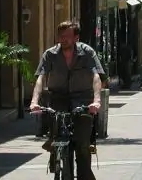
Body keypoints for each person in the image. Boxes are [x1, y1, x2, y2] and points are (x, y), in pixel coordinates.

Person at [30, 21, 103, 180]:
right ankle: (55, 153)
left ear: (76, 37)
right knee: (56, 135)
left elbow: (96, 76)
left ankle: (85, 175)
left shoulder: (87, 53)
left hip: (83, 100)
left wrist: (96, 101)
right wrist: (34, 101)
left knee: (82, 145)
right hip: (58, 99)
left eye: (67, 37)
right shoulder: (50, 54)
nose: (63, 40)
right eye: (61, 36)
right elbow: (41, 78)